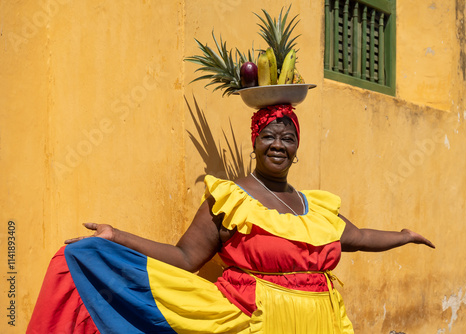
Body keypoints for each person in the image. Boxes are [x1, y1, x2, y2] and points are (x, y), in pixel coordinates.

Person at [27, 104, 435, 334]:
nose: (278, 144)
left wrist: (403, 235)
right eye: (269, 136)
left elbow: (359, 236)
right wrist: (117, 237)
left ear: (297, 148)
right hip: (254, 322)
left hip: (319, 322)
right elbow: (186, 258)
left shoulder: (317, 207)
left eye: (288, 138)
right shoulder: (230, 199)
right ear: (255, 143)